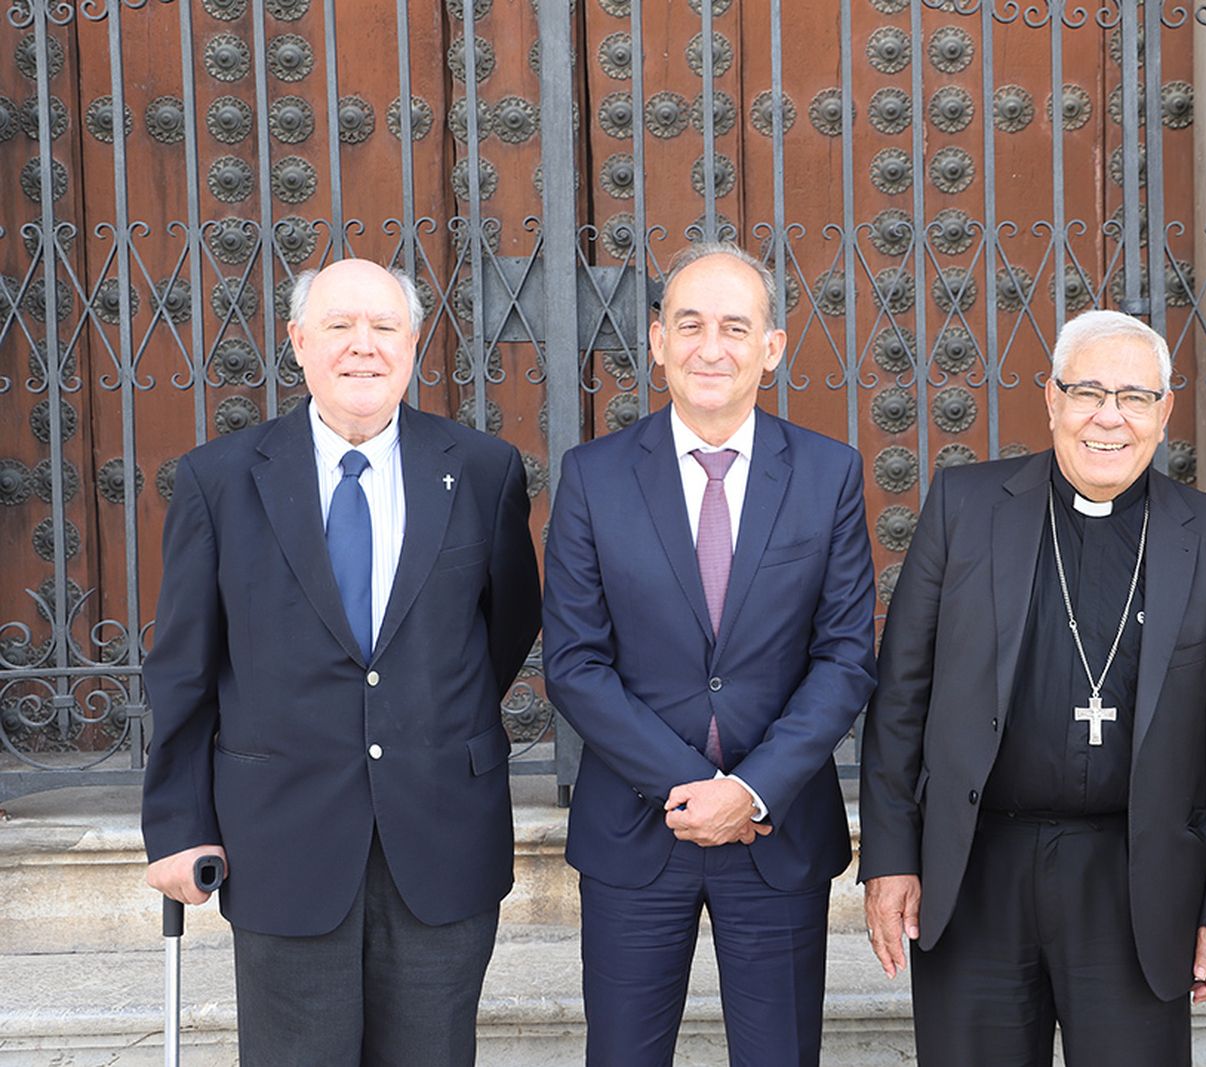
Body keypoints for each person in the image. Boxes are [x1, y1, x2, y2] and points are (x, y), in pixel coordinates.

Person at [141, 258, 541, 1066]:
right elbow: (183, 667)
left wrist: (424, 715)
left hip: (441, 838)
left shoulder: (484, 469)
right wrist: (178, 828)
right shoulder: (220, 481)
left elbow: (505, 628)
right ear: (297, 343)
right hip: (280, 841)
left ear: (416, 342)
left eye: (384, 327)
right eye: (339, 326)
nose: (364, 346)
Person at [859, 309, 1206, 1066]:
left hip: (1135, 882)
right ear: (1051, 399)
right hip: (979, 867)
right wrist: (889, 856)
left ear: (1164, 411)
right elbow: (900, 697)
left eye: (1135, 397)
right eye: (1088, 392)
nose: (1109, 417)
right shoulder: (965, 508)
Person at [540, 242, 878, 1067]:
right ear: (656, 341)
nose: (711, 346)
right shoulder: (594, 476)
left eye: (736, 325)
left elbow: (843, 656)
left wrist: (752, 790)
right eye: (688, 324)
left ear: (772, 346)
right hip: (635, 829)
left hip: (777, 832)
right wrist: (693, 787)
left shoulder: (828, 473)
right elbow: (575, 661)